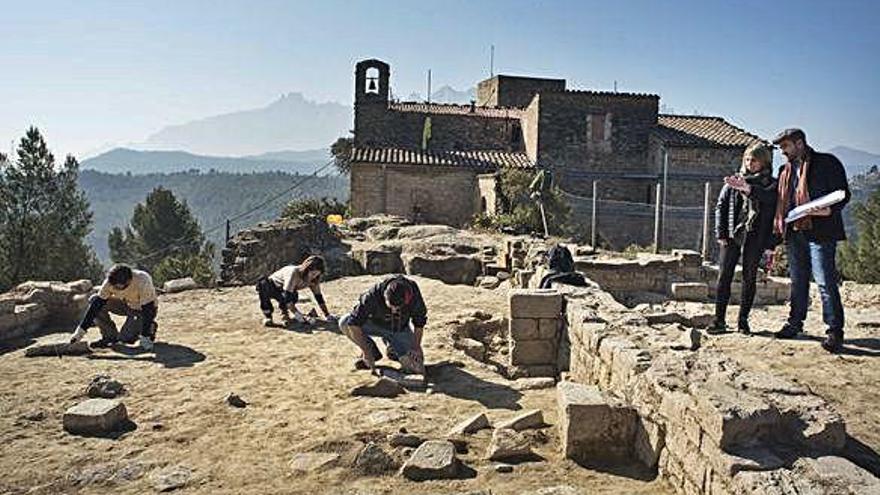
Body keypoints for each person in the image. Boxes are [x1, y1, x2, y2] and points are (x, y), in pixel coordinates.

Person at [771, 128, 851, 352]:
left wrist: (829, 210)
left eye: (785, 147)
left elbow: (843, 193)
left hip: (822, 232)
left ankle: (834, 330)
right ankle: (795, 323)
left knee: (825, 281)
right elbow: (778, 198)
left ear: (799, 143)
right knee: (798, 281)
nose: (783, 152)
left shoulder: (827, 163)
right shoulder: (784, 170)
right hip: (795, 232)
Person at [711, 143, 779, 334]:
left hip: (756, 236)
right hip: (733, 235)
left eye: (754, 160)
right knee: (724, 277)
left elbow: (771, 202)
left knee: (749, 278)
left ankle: (743, 321)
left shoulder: (770, 184)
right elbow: (721, 206)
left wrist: (748, 189)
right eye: (747, 159)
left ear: (764, 161)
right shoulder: (734, 181)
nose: (750, 164)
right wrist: (721, 233)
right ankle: (719, 320)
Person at [338, 275, 427, 375]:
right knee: (344, 322)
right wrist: (366, 351)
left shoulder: (413, 293)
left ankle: (393, 349)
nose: (393, 310)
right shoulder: (373, 294)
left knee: (417, 368)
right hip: (375, 325)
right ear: (385, 295)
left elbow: (419, 322)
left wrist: (415, 348)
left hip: (399, 330)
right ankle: (373, 352)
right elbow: (353, 323)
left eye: (397, 308)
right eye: (390, 306)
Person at [69, 264, 158, 350]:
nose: (114, 288)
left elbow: (148, 309)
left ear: (128, 281)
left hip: (142, 310)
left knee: (126, 339)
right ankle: (109, 337)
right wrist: (79, 333)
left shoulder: (142, 279)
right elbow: (96, 306)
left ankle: (150, 327)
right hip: (125, 303)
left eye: (117, 286)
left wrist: (145, 337)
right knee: (94, 300)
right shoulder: (110, 282)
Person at [256, 255, 334, 327]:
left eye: (317, 274)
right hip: (271, 286)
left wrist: (327, 314)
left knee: (293, 296)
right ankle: (268, 317)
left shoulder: (314, 279)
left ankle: (284, 313)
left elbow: (319, 297)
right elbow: (287, 296)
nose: (314, 276)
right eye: (313, 274)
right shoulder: (294, 272)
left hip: (286, 291)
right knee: (263, 285)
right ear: (306, 270)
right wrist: (297, 314)